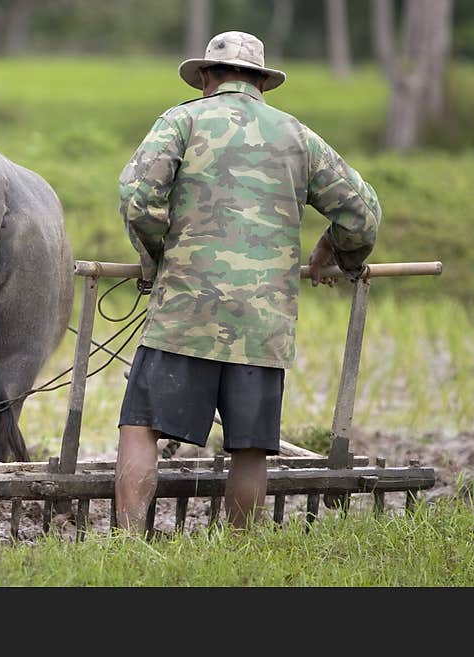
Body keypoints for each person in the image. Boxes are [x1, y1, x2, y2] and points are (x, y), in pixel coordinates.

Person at [115, 31, 381, 531]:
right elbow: (362, 214)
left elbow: (138, 197)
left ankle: (127, 541)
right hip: (263, 322)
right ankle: (240, 549)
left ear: (207, 78)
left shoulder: (182, 121)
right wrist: (334, 249)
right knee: (250, 448)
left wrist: (157, 259)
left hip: (185, 314)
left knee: (142, 424)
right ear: (260, 81)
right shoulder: (298, 135)